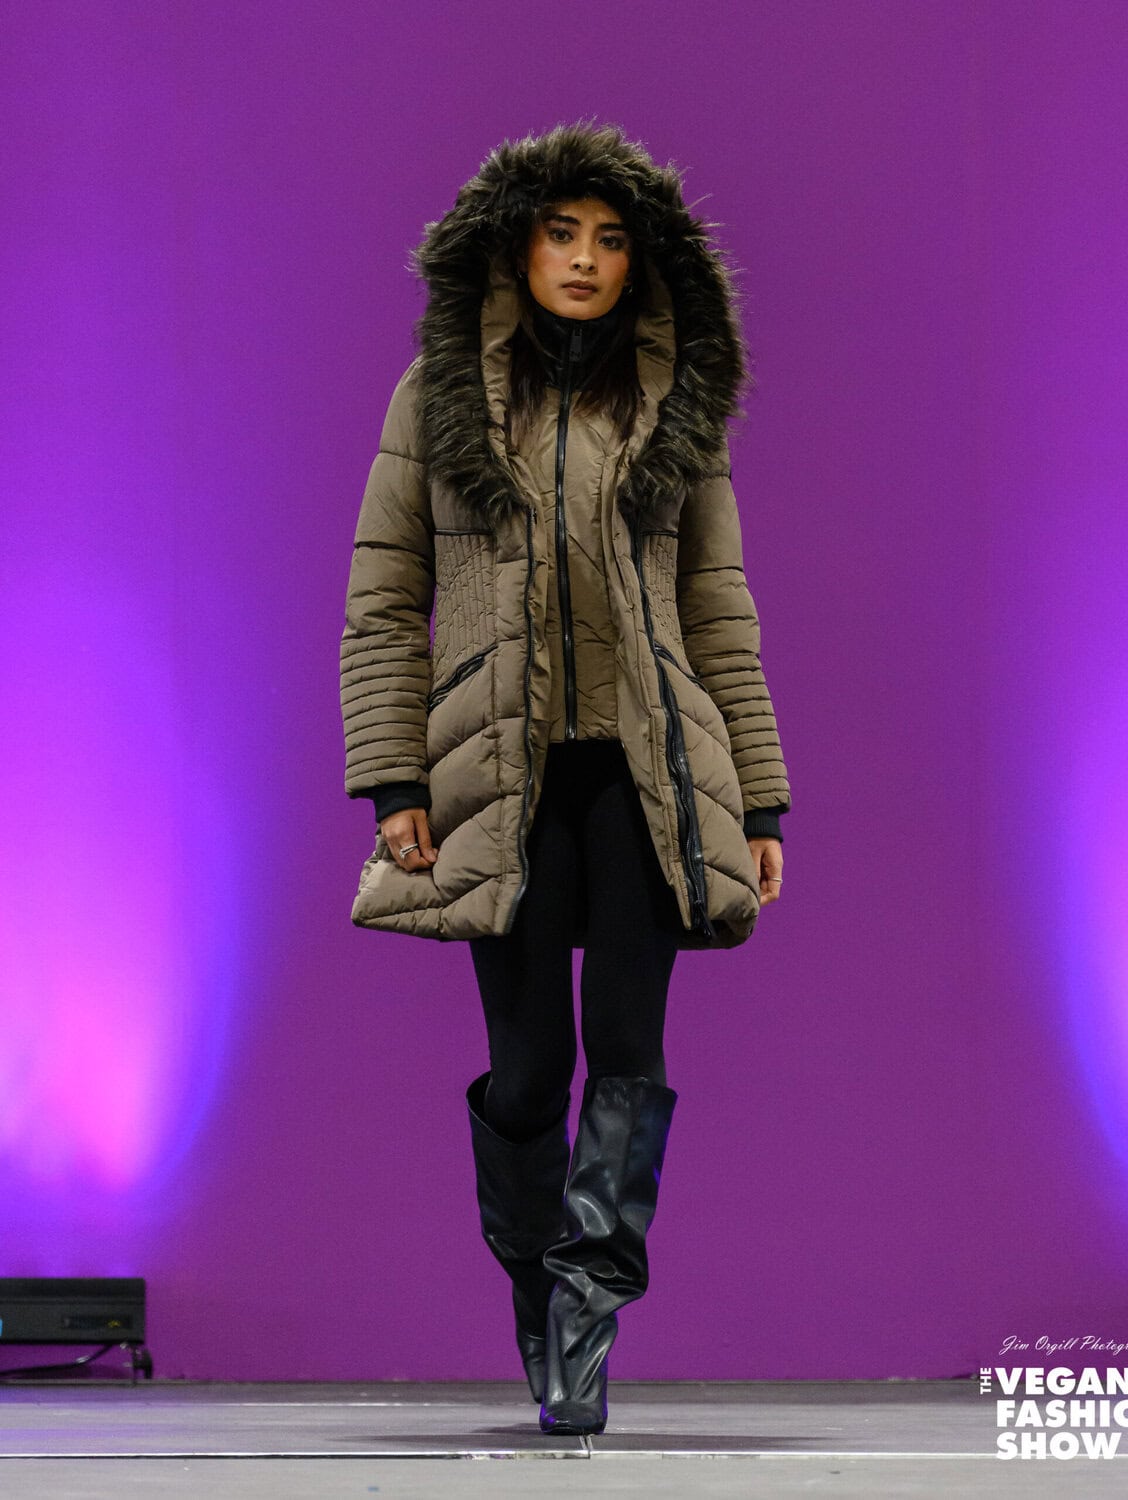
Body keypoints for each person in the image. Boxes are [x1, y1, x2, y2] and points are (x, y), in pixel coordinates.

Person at [339, 121, 790, 1436]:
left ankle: (592, 1298)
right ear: (516, 245)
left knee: (632, 1054)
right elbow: (383, 604)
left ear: (642, 263)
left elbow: (720, 610)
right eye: (562, 232)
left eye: (609, 238)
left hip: (647, 778)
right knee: (531, 1073)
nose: (585, 259)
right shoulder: (438, 401)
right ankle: (540, 1290)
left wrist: (756, 800)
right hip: (499, 779)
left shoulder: (674, 412)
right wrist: (395, 783)